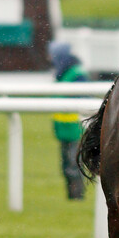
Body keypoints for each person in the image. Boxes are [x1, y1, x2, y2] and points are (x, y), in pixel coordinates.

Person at [48, 41, 88, 200]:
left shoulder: (77, 74)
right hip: (65, 130)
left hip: (76, 129)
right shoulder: (61, 73)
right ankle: (72, 197)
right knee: (66, 166)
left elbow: (84, 99)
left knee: (73, 165)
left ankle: (77, 197)